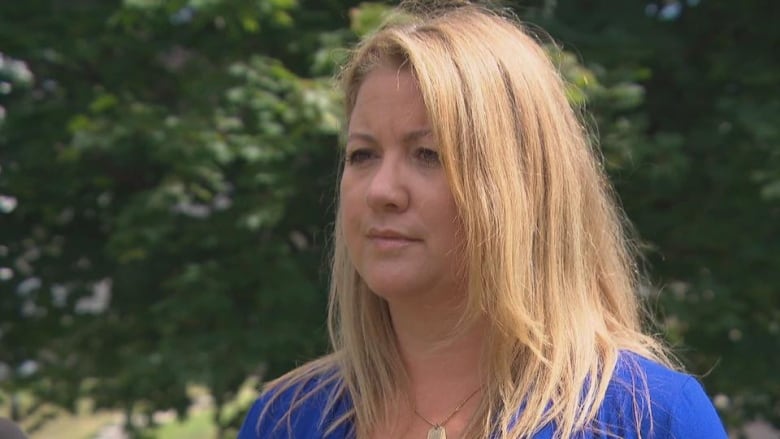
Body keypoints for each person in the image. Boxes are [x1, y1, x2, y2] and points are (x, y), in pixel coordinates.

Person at [238, 1, 728, 438]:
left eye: (427, 154)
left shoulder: (648, 418)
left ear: (521, 185)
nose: (382, 191)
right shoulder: (284, 420)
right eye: (363, 155)